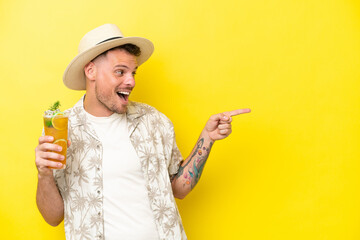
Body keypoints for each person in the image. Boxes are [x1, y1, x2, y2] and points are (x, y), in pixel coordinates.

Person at [35, 23, 251, 240]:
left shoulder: (154, 121)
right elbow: (53, 217)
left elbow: (180, 189)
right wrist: (44, 174)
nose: (131, 81)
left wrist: (207, 138)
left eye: (133, 72)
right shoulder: (62, 129)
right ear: (91, 71)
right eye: (120, 71)